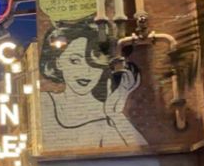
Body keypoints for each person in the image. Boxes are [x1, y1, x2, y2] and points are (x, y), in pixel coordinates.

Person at [39, 21, 146, 150]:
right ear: (58, 62)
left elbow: (145, 161)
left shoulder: (107, 114)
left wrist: (115, 114)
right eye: (75, 61)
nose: (86, 71)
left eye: (94, 64)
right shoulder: (44, 103)